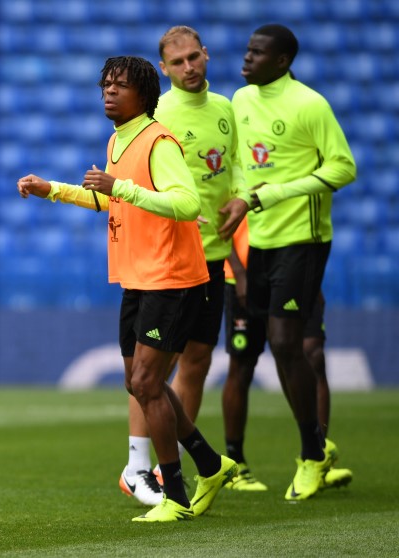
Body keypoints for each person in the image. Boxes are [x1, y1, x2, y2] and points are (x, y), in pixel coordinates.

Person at [17, 55, 237, 522]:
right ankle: (211, 464)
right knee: (138, 383)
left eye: (119, 86)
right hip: (136, 275)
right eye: (105, 86)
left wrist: (122, 186)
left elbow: (186, 202)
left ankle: (175, 495)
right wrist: (51, 189)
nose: (109, 93)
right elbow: (108, 198)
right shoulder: (119, 139)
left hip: (169, 275)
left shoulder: (159, 142)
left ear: (144, 94)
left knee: (146, 383)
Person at [218, 24, 356, 501]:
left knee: (285, 342)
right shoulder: (238, 100)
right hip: (258, 242)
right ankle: (309, 450)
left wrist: (268, 194)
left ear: (282, 61)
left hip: (304, 236)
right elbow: (238, 162)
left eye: (257, 53)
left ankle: (311, 457)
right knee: (261, 349)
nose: (246, 58)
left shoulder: (309, 104)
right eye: (247, 50)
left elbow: (343, 167)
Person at [118, 26, 248, 507]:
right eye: (178, 62)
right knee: (150, 373)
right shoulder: (158, 117)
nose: (190, 67)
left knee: (195, 362)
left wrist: (238, 196)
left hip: (213, 255)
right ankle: (139, 465)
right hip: (170, 260)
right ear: (165, 69)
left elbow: (233, 164)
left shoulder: (226, 108)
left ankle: (168, 466)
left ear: (206, 55)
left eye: (195, 57)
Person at [222, 217, 353, 491]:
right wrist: (239, 271)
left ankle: (316, 456)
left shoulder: (293, 175)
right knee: (242, 366)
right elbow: (220, 216)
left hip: (295, 270)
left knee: (313, 355)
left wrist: (312, 278)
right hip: (245, 276)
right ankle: (236, 462)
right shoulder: (235, 171)